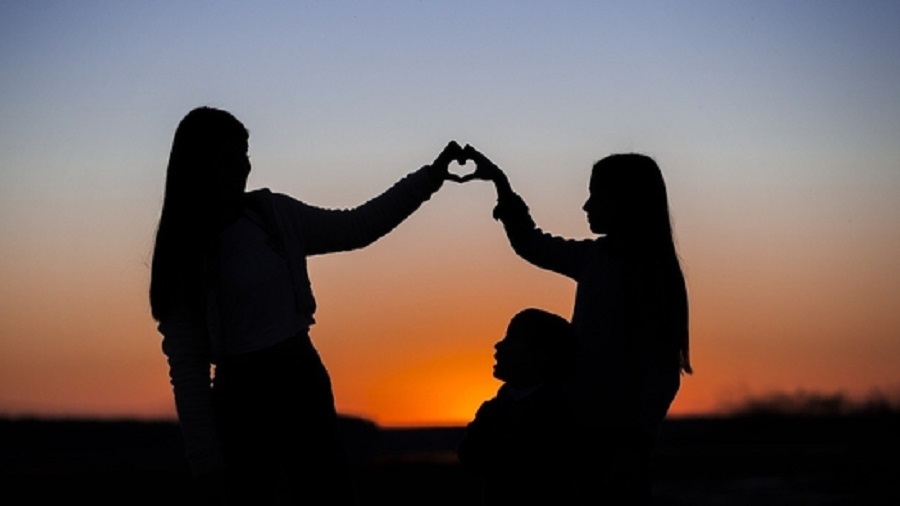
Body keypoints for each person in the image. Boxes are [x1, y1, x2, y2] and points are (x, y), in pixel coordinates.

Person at [149, 105, 465, 505]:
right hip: (242, 403)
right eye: (229, 158)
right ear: (199, 167)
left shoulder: (273, 214)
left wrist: (430, 177)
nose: (243, 167)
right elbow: (187, 369)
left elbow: (357, 227)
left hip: (303, 382)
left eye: (245, 155)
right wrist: (206, 462)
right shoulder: (184, 255)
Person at [461, 146, 692, 504]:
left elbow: (663, 372)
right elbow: (532, 244)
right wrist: (501, 186)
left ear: (627, 201)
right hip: (574, 430)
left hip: (615, 442)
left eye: (596, 195)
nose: (586, 206)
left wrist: (635, 445)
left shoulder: (653, 276)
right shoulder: (594, 257)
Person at [457, 307, 580, 505]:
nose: (498, 345)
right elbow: (469, 456)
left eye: (511, 339)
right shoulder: (493, 409)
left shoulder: (559, 411)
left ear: (540, 356)